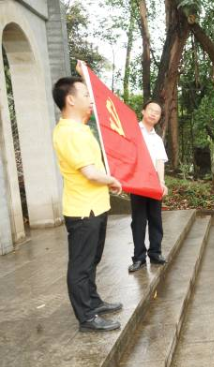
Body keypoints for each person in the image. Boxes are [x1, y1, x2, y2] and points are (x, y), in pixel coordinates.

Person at [51, 76, 123, 332]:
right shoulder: (69, 132)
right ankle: (86, 316)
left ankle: (93, 301)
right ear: (70, 99)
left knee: (92, 259)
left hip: (96, 205)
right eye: (85, 95)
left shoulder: (80, 128)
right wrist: (112, 179)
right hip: (83, 210)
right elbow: (90, 173)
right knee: (81, 265)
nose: (90, 100)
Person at [127, 101, 169, 273]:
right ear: (143, 111)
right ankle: (139, 258)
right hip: (137, 182)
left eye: (157, 112)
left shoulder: (157, 139)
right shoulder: (133, 132)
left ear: (159, 117)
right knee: (138, 220)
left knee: (155, 219)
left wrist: (162, 183)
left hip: (153, 184)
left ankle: (155, 253)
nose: (153, 114)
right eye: (151, 110)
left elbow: (160, 161)